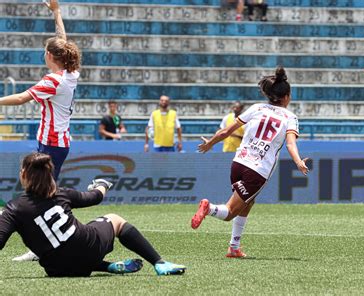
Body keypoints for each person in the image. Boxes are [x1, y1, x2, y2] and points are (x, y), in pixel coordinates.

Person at [0, 153, 186, 277]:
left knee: (63, 251)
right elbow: (95, 197)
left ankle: (107, 266)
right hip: (88, 250)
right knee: (115, 219)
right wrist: (102, 184)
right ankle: (159, 263)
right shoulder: (61, 193)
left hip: (57, 269)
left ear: (23, 174)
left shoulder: (13, 208)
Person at [190, 66, 309, 258]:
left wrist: (210, 143)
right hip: (257, 170)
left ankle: (234, 247)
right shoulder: (290, 117)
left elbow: (226, 131)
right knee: (229, 213)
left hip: (238, 163)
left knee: (249, 202)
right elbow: (290, 143)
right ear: (286, 96)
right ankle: (208, 207)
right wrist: (298, 162)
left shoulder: (256, 108)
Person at [0, 0, 80, 262]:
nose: (43, 53)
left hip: (52, 144)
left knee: (43, 194)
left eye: (45, 51)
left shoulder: (52, 81)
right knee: (44, 191)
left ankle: (45, 242)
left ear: (50, 56)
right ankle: (46, 238)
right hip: (57, 142)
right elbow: (63, 40)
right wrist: (56, 12)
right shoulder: (70, 73)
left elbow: (23, 98)